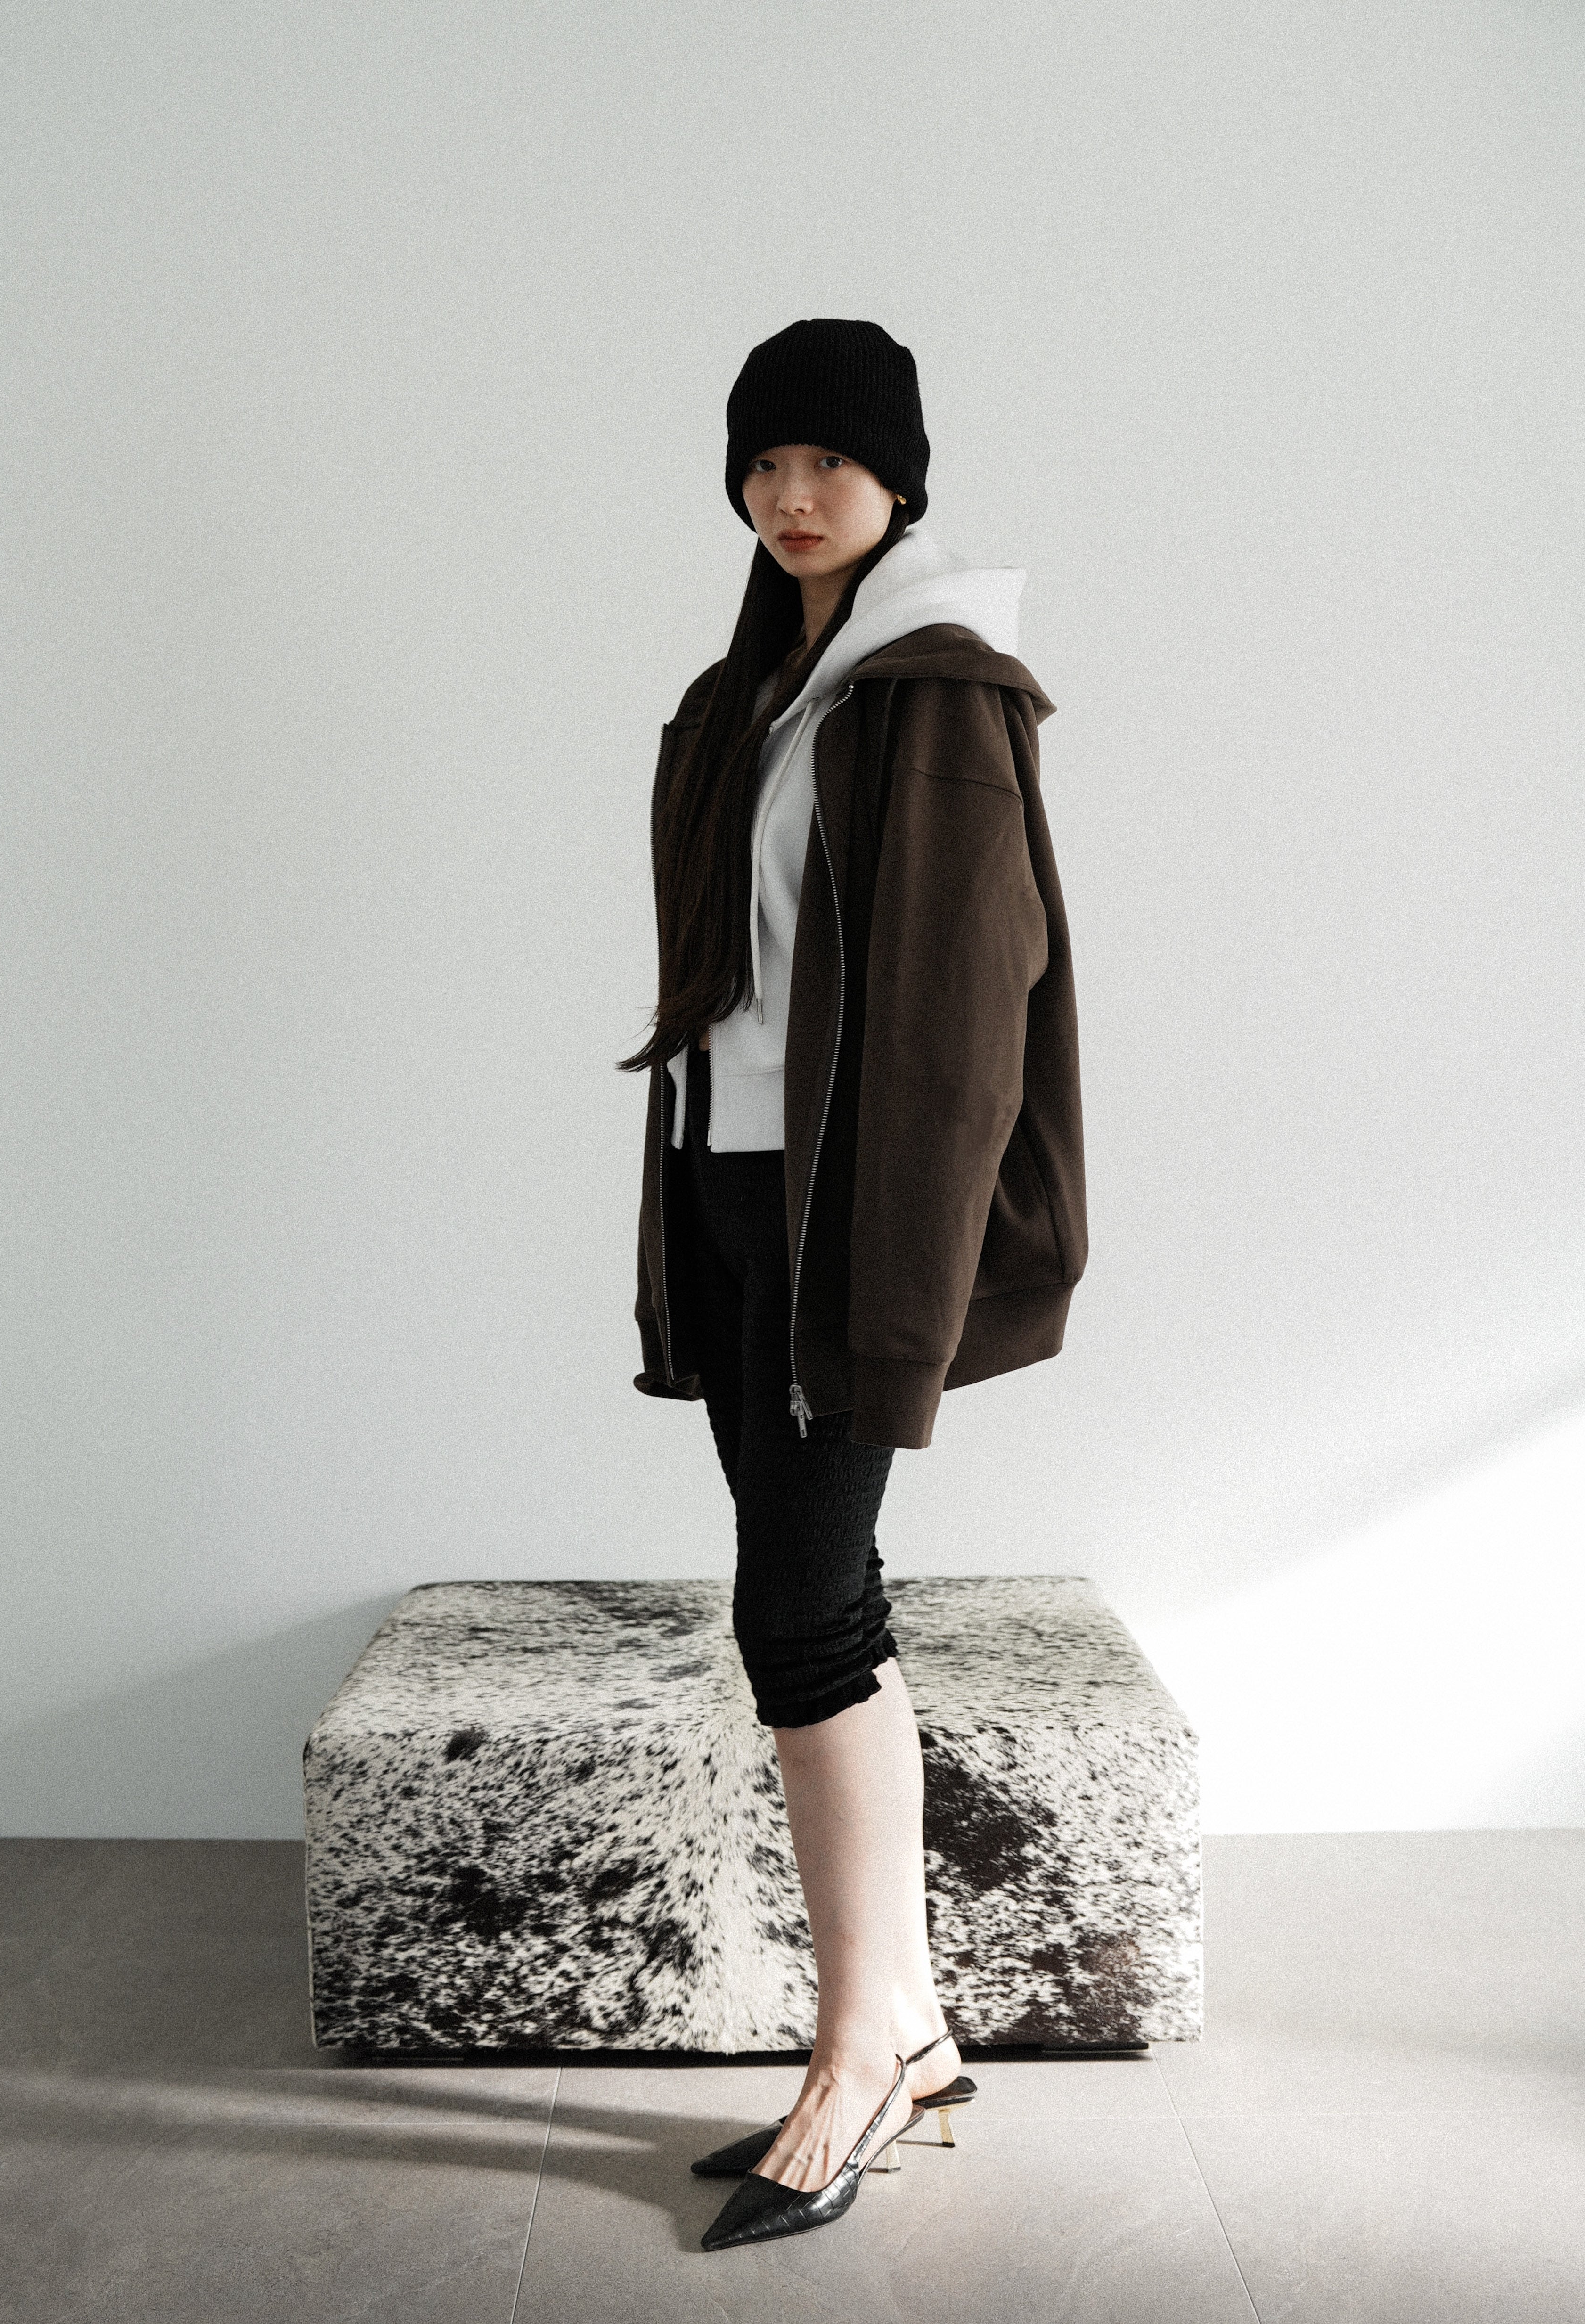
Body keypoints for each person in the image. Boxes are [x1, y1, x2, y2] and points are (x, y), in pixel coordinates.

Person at [622, 316, 1086, 2251]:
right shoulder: (756, 692)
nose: (791, 494)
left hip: (846, 1221)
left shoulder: (936, 690)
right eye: (763, 462)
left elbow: (966, 1018)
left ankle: (858, 2055)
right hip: (733, 1195)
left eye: (827, 459)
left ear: (900, 476)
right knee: (819, 1611)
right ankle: (904, 2027)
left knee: (798, 1612)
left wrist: (898, 1283)